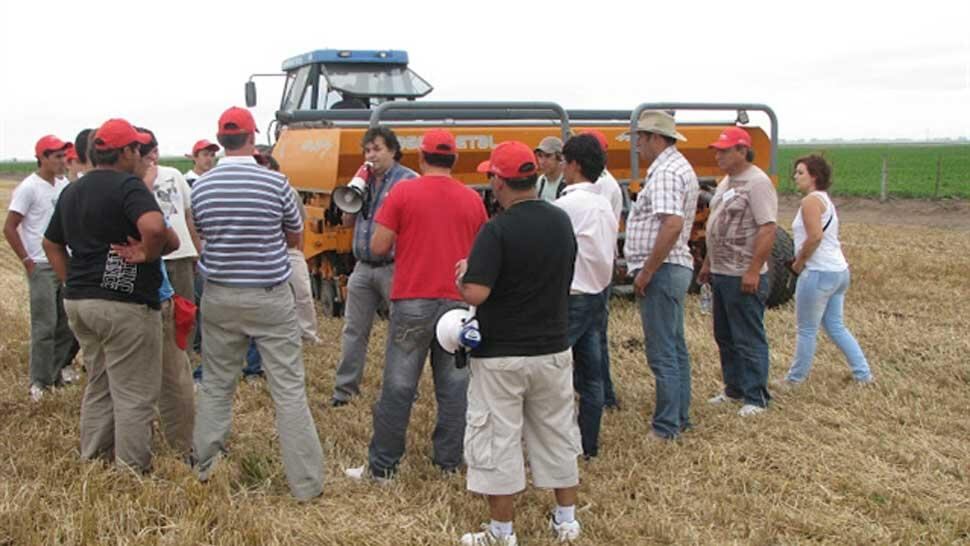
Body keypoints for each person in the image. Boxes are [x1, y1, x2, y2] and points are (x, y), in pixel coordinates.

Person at [191, 106, 323, 500]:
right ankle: (306, 485)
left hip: (219, 294)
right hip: (269, 296)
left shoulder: (202, 186)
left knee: (216, 384)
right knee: (288, 390)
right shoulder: (276, 183)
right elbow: (294, 237)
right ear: (252, 138)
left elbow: (201, 233)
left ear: (221, 140)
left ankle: (205, 468)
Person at [457, 141, 582, 545]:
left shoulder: (496, 230)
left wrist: (462, 274)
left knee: (498, 439)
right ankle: (566, 521)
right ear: (532, 176)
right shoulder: (560, 221)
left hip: (501, 354)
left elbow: (476, 293)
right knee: (557, 433)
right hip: (553, 348)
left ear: (499, 180)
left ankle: (501, 532)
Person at [347, 129, 488, 481]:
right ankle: (449, 464)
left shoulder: (403, 192)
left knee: (398, 385)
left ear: (422, 159)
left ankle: (382, 468)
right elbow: (482, 253)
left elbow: (379, 247)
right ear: (454, 160)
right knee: (455, 388)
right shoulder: (472, 199)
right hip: (457, 304)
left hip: (411, 299)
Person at [42, 118, 168, 472]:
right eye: (136, 149)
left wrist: (71, 281)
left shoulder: (73, 191)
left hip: (80, 302)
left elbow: (51, 243)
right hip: (123, 304)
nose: (139, 155)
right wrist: (147, 252)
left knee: (99, 384)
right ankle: (131, 472)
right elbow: (155, 227)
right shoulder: (128, 186)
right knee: (134, 393)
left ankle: (94, 462)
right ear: (126, 151)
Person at [624, 110, 699, 439]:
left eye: (640, 138)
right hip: (673, 268)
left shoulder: (666, 172)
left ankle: (667, 426)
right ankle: (679, 417)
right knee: (675, 346)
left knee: (662, 351)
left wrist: (648, 270)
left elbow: (672, 223)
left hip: (664, 270)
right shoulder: (676, 167)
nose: (637, 145)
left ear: (656, 138)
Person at [330, 127, 417, 407]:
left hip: (395, 266)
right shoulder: (362, 180)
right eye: (367, 150)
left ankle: (400, 391)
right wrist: (354, 193)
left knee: (400, 332)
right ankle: (344, 391)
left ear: (392, 150)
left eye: (377, 149)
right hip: (363, 267)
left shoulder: (409, 181)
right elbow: (346, 223)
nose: (371, 155)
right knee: (354, 330)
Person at [697, 127, 777, 417]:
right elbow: (716, 224)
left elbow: (768, 228)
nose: (718, 155)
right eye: (717, 150)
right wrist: (707, 263)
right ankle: (734, 388)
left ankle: (756, 396)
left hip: (742, 272)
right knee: (725, 334)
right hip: (721, 271)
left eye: (724, 150)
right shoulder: (726, 182)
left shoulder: (757, 183)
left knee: (747, 336)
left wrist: (753, 270)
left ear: (742, 151)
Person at [778, 155, 873, 386]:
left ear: (814, 177)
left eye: (800, 173)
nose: (795, 177)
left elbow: (815, 237)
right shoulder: (825, 200)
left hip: (818, 272)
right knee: (835, 326)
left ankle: (794, 379)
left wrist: (799, 263)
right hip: (838, 271)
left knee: (806, 330)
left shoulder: (810, 202)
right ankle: (863, 374)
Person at [131, 128, 196, 457]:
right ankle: (183, 448)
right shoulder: (130, 189)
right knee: (171, 372)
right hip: (149, 293)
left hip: (127, 294)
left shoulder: (172, 177)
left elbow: (185, 216)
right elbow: (161, 233)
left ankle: (127, 452)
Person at [555, 134, 618, 458]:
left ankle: (556, 444)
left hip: (571, 297)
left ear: (575, 165)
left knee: (552, 373)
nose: (562, 168)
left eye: (564, 162)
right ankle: (587, 445)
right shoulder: (603, 203)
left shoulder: (566, 206)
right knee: (591, 377)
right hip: (596, 295)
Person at [4, 135, 78, 401]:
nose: (62, 162)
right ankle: (39, 381)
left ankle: (56, 373)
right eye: (57, 157)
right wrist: (27, 260)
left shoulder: (63, 185)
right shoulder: (29, 188)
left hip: (63, 261)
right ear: (43, 158)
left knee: (66, 324)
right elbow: (10, 227)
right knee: (44, 325)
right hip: (42, 264)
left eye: (64, 156)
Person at [578, 128, 623, 410]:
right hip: (596, 268)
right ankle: (600, 393)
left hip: (592, 271)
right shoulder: (604, 184)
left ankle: (604, 395)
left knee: (595, 336)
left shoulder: (604, 186)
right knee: (595, 335)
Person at [534, 136, 564, 202]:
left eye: (548, 156)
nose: (542, 161)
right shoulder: (540, 181)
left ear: (560, 157)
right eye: (540, 156)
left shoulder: (568, 183)